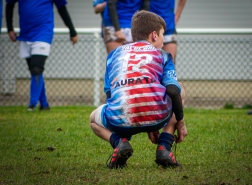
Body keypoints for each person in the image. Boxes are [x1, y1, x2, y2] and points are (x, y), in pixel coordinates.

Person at [90, 10, 187, 169]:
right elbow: (172, 91)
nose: (163, 41)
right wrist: (181, 122)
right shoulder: (163, 55)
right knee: (180, 87)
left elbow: (110, 93)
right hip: (158, 115)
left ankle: (120, 143)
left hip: (120, 119)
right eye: (163, 35)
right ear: (154, 35)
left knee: (93, 120)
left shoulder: (114, 55)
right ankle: (164, 147)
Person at [5, 0, 78, 111]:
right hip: (25, 34)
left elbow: (62, 8)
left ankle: (32, 104)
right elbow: (9, 5)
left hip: (43, 33)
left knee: (36, 68)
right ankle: (44, 104)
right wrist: (10, 28)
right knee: (34, 70)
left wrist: (72, 31)